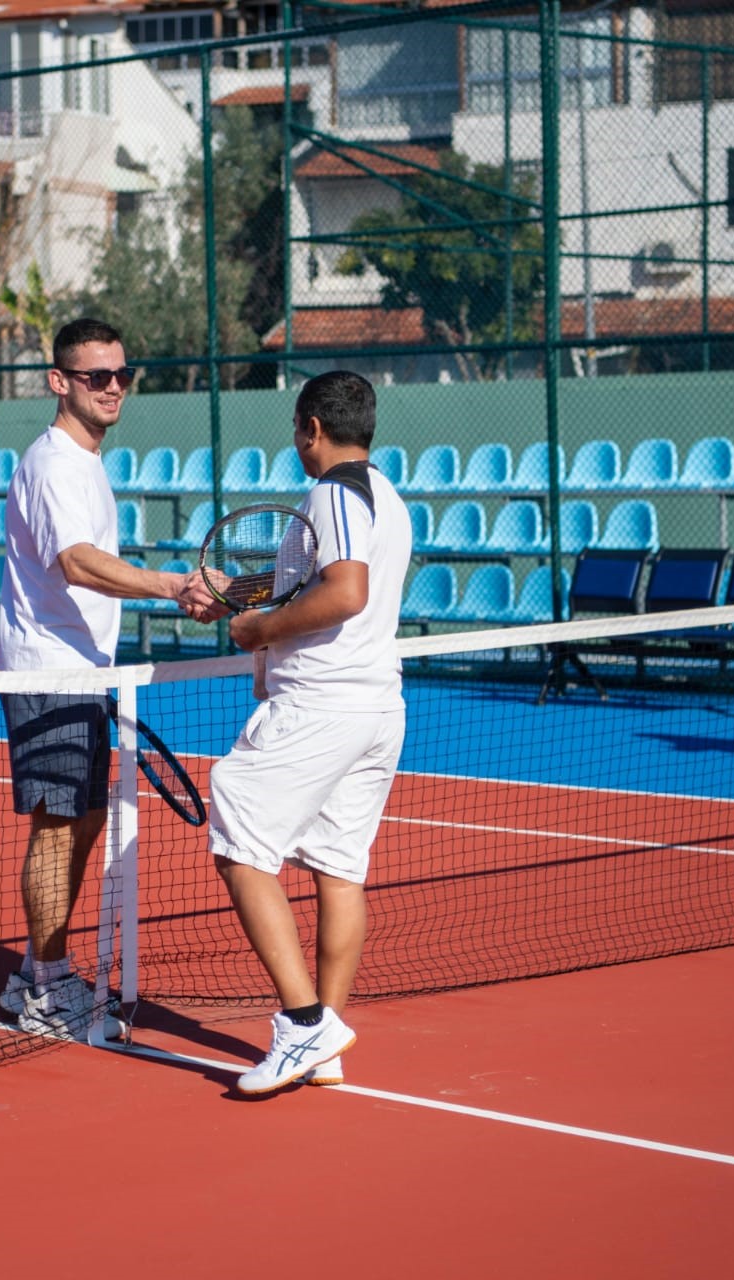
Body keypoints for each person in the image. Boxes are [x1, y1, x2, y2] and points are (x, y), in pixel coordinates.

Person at [0, 317, 221, 1040]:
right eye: (97, 377)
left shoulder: (84, 462)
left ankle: (34, 967)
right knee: (58, 830)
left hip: (85, 671)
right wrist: (168, 585)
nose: (114, 387)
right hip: (49, 673)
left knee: (84, 821)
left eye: (123, 374)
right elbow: (78, 562)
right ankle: (46, 989)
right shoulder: (58, 463)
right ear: (60, 382)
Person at [208, 370, 412, 1094]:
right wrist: (237, 596)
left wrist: (258, 629)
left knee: (236, 836)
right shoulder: (386, 496)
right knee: (337, 865)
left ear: (312, 428)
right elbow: (317, 580)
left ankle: (303, 1027)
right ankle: (324, 1044)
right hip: (376, 708)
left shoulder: (333, 493)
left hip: (320, 706)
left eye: (297, 430)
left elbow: (346, 592)